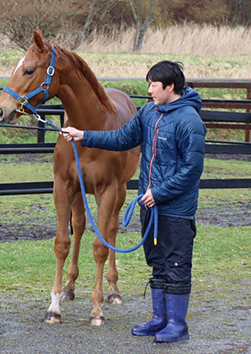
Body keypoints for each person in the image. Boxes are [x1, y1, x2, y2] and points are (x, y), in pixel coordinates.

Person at [61, 61, 206, 343]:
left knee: (176, 264)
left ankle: (177, 323)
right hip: (151, 205)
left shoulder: (189, 120)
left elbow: (192, 169)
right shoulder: (150, 113)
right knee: (157, 262)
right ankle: (159, 318)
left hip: (175, 207)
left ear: (170, 87)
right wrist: (82, 135)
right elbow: (122, 137)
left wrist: (159, 193)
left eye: (153, 85)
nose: (149, 90)